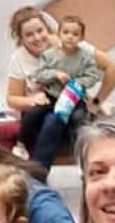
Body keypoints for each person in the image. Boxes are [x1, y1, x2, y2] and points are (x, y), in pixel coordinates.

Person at [5, 7, 115, 160]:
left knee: (62, 121)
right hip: (43, 106)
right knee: (50, 121)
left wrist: (97, 101)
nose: (37, 38)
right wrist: (31, 100)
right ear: (20, 38)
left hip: (71, 103)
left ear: (49, 30)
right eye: (29, 35)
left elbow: (114, 68)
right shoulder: (19, 58)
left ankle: (75, 165)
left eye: (40, 31)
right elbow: (12, 98)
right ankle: (37, 171)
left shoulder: (69, 44)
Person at [27, 16, 101, 169]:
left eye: (75, 34)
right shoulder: (49, 55)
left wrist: (76, 83)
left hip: (74, 99)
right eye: (66, 32)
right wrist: (55, 74)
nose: (70, 37)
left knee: (80, 120)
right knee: (42, 119)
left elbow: (93, 76)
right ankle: (36, 165)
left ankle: (84, 159)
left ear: (81, 37)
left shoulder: (86, 57)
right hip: (52, 97)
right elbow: (39, 75)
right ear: (59, 34)